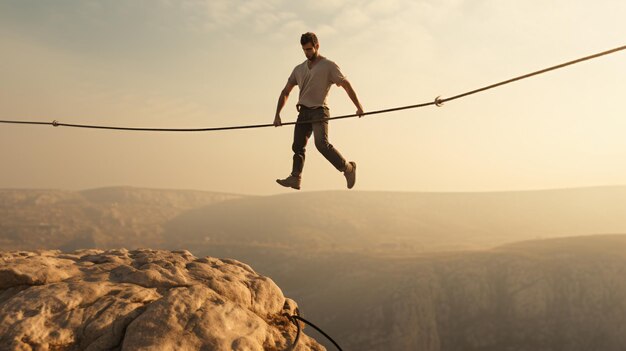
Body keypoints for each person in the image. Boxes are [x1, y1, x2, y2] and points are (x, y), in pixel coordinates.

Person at [274, 32, 364, 190]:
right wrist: (277, 115)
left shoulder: (328, 65)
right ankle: (295, 178)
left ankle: (348, 168)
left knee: (321, 144)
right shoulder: (299, 69)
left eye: (309, 49)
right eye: (304, 50)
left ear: (317, 46)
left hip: (319, 111)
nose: (307, 53)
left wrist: (358, 106)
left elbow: (345, 84)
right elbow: (286, 91)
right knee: (297, 146)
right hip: (303, 112)